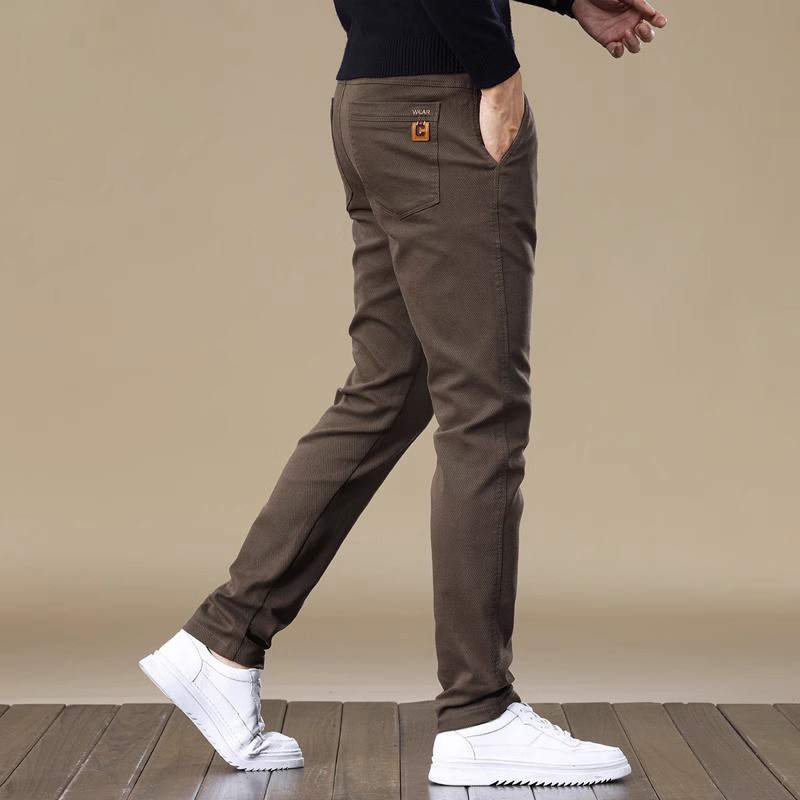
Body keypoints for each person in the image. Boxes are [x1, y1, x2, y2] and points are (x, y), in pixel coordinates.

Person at [139, 0, 667, 786]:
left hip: (374, 102)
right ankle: (480, 713)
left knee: (392, 383)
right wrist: (497, 71)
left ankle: (225, 639)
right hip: (437, 104)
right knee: (482, 408)